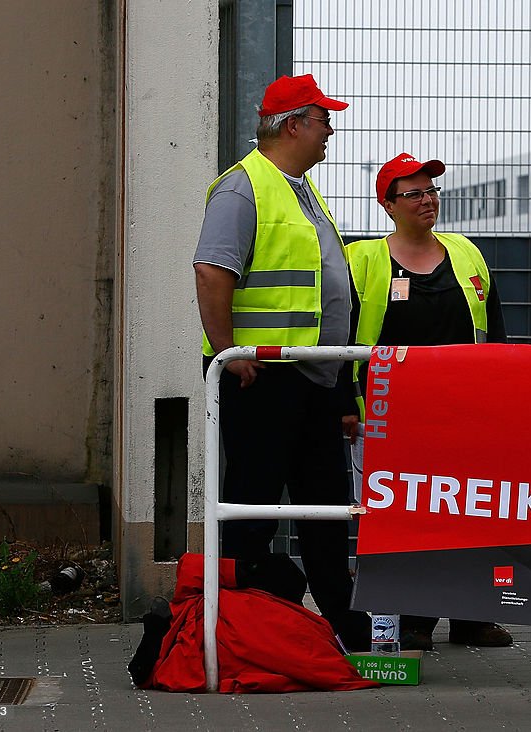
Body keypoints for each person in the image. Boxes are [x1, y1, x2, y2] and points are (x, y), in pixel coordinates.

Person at [193, 74, 369, 650]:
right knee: (252, 507)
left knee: (325, 507)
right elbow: (213, 270)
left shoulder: (298, 190)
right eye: (323, 120)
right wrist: (228, 353)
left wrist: (339, 391)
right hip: (262, 378)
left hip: (311, 378)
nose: (331, 131)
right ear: (293, 125)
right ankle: (243, 627)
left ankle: (342, 623)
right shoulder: (243, 189)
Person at [344, 152, 513, 651]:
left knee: (468, 511)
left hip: (465, 410)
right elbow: (341, 337)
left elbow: (494, 328)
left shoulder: (465, 253)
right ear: (388, 205)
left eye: (431, 191)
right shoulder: (364, 261)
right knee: (405, 516)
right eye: (413, 193)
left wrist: (503, 393)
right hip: (390, 412)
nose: (427, 200)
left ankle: (471, 616)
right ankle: (413, 618)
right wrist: (345, 404)